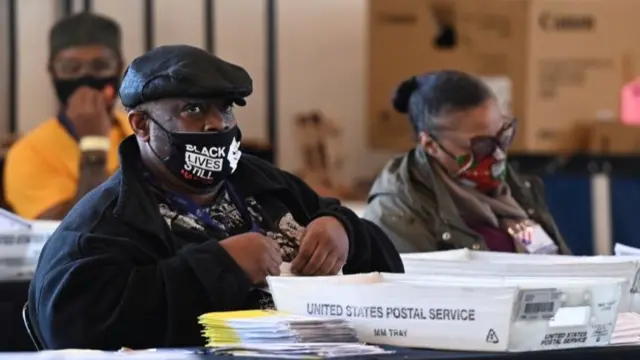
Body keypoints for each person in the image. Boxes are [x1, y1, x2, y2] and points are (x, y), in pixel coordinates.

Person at [29, 45, 404, 350]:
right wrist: (218, 267)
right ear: (141, 125)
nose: (217, 124)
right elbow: (72, 328)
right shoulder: (105, 223)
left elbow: (390, 269)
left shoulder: (264, 182)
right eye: (193, 110)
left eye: (225, 108)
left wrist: (343, 231)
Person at [362, 71, 571, 255]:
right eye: (482, 145)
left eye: (503, 136)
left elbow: (560, 267)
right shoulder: (396, 214)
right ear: (431, 145)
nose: (498, 154)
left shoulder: (512, 191)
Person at [4, 12, 131, 220]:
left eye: (100, 66)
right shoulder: (28, 153)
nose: (85, 77)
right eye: (71, 68)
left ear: (119, 67)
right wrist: (94, 145)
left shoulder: (144, 131)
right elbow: (75, 234)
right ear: (52, 71)